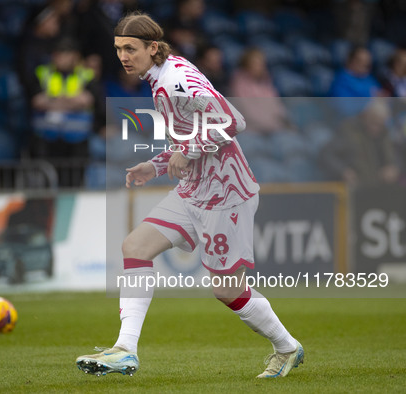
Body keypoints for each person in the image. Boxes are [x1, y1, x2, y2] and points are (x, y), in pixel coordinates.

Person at [76, 12, 303, 379]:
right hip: (194, 189)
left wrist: (188, 152)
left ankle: (287, 347)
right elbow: (191, 136)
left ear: (152, 47)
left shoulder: (175, 80)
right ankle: (125, 350)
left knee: (227, 290)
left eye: (131, 48)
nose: (123, 56)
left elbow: (233, 122)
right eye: (118, 49)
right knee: (135, 247)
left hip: (226, 194)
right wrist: (158, 164)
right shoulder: (163, 76)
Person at [29, 38, 96, 187]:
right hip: (47, 138)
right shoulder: (42, 73)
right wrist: (71, 102)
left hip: (77, 139)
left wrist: (52, 101)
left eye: (65, 54)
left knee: (73, 183)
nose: (61, 58)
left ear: (74, 56)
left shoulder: (86, 75)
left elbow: (87, 100)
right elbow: (37, 101)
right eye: (58, 54)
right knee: (47, 181)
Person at [319, 98, 400, 185]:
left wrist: (393, 168)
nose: (376, 128)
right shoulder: (348, 131)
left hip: (379, 187)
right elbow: (326, 154)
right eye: (373, 123)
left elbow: (397, 157)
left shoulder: (385, 134)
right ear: (365, 117)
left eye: (380, 125)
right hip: (354, 188)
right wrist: (343, 171)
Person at [229, 48, 294, 134]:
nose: (260, 67)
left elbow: (277, 107)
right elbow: (248, 113)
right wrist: (271, 125)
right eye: (255, 63)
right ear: (246, 66)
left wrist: (285, 122)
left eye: (261, 63)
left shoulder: (267, 83)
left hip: (273, 128)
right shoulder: (238, 86)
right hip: (252, 130)